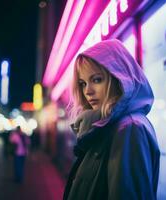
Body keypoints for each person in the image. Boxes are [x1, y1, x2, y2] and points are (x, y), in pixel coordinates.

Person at [63, 39, 160, 200]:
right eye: (83, 83)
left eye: (97, 80)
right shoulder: (108, 125)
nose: (88, 91)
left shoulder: (129, 128)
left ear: (119, 78)